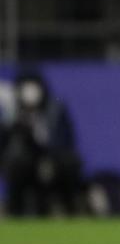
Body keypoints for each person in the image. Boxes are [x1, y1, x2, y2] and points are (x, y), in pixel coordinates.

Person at [1, 70, 83, 216]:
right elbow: (5, 144)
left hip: (54, 158)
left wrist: (49, 157)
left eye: (34, 87)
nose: (30, 93)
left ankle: (72, 210)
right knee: (18, 166)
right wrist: (17, 128)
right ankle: (15, 212)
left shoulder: (56, 109)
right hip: (25, 162)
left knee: (69, 164)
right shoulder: (12, 112)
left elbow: (66, 140)